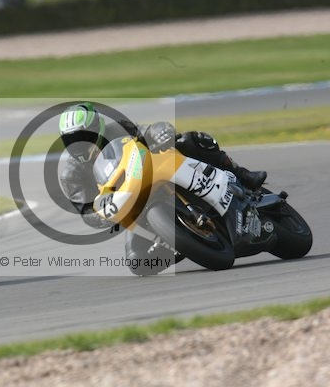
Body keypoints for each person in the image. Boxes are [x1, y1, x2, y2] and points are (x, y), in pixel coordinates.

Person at [58, 102, 267, 273]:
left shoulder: (118, 129)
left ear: (98, 129)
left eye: (83, 136)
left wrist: (160, 131)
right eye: (71, 140)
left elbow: (147, 131)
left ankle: (243, 175)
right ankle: (182, 243)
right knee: (138, 262)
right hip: (135, 209)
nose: (79, 144)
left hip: (157, 174)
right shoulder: (71, 175)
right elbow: (87, 211)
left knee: (188, 141)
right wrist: (102, 215)